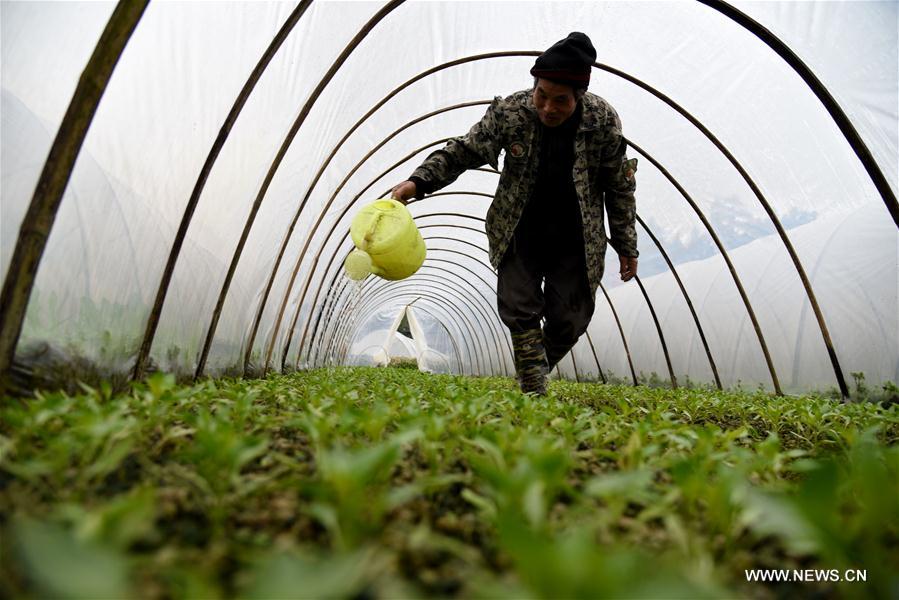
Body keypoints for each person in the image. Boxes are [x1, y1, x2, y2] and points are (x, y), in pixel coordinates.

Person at [391, 32, 638, 395]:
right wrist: (418, 182)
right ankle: (533, 389)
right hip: (518, 228)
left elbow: (619, 186)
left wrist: (626, 244)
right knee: (519, 308)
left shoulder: (601, 122)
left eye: (561, 101)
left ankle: (531, 370)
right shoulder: (511, 113)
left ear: (579, 97)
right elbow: (465, 150)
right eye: (542, 95)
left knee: (571, 319)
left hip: (576, 236)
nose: (549, 108)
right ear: (534, 85)